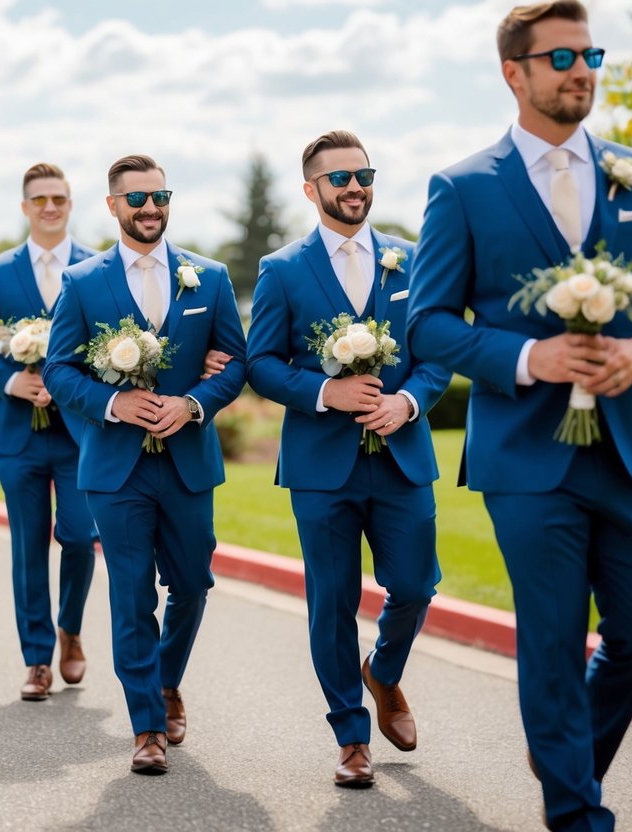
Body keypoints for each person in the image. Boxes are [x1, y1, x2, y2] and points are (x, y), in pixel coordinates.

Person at [406, 3, 632, 829]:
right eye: (563, 55)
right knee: (550, 639)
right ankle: (575, 815)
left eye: (591, 53)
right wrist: (524, 357)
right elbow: (425, 323)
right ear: (515, 72)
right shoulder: (462, 188)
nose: (583, 69)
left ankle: (562, 757)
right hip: (526, 458)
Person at [246, 130, 449, 788]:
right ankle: (350, 736)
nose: (355, 187)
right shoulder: (281, 270)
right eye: (340, 179)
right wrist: (324, 391)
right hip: (319, 465)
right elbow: (261, 364)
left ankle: (383, 672)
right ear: (311, 190)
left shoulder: (410, 261)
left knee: (416, 585)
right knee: (331, 601)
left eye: (363, 174)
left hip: (400, 457)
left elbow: (437, 351)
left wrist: (409, 403)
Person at [43, 154, 247, 775]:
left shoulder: (206, 278)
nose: (151, 208)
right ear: (113, 206)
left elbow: (237, 362)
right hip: (116, 469)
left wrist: (192, 404)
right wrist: (113, 402)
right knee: (131, 595)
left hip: (186, 461)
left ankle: (166, 678)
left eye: (161, 196)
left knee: (191, 585)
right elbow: (58, 370)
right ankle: (147, 727)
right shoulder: (82, 282)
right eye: (137, 199)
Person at [0, 163, 98, 699]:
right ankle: (36, 658)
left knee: (81, 538)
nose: (49, 206)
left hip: (78, 434)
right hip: (16, 432)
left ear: (69, 204)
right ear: (24, 207)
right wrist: (13, 381)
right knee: (28, 545)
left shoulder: (95, 266)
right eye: (39, 199)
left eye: (58, 199)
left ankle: (71, 628)